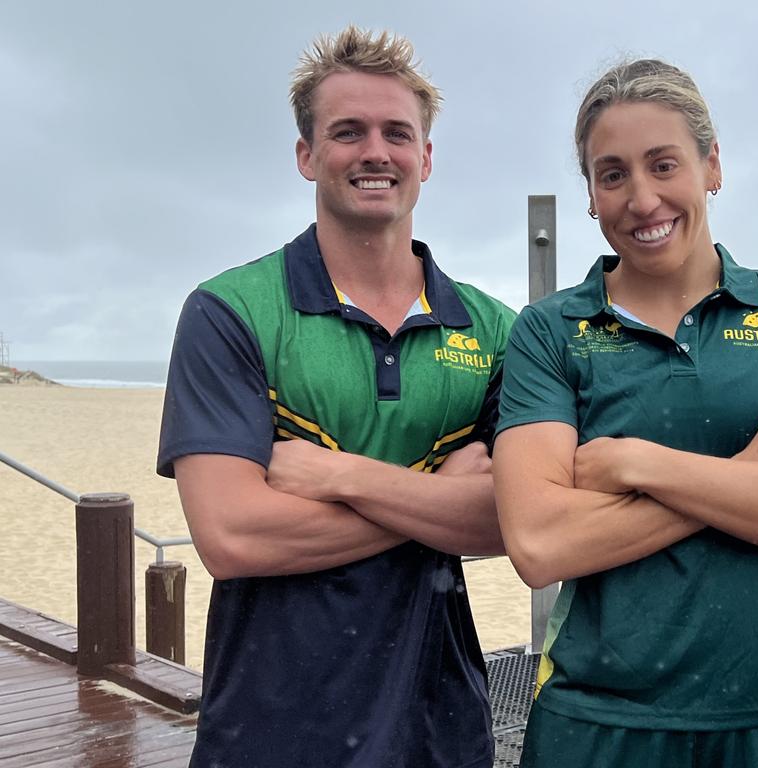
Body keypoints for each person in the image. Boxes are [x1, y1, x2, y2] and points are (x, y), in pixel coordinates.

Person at [493, 59, 758, 768]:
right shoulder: (549, 331)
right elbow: (541, 545)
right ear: (590, 195)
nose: (642, 199)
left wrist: (640, 463)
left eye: (663, 165)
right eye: (613, 175)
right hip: (594, 723)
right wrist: (756, 470)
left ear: (713, 167)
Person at [157, 27, 515, 768]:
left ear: (426, 157)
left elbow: (515, 523)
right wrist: (436, 502)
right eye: (346, 132)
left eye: (397, 133)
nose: (374, 152)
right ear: (307, 155)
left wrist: (343, 477)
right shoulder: (231, 310)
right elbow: (234, 538)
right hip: (270, 727)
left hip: (441, 727)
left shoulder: (493, 330)